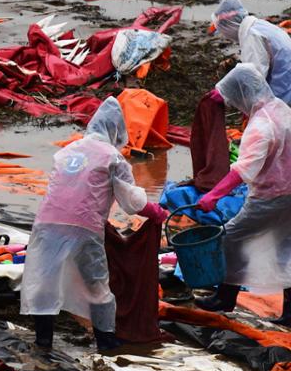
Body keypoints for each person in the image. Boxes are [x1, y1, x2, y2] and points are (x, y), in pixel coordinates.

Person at [20, 97, 168, 353]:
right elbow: (131, 201)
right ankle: (107, 343)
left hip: (46, 225)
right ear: (115, 130)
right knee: (97, 285)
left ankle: (43, 342)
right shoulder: (112, 157)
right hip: (83, 229)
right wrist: (155, 211)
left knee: (44, 282)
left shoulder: (66, 151)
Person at [197, 63, 291, 323]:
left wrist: (213, 196)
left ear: (242, 95)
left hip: (269, 197)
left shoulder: (261, 125)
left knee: (232, 237)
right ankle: (290, 312)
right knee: (285, 246)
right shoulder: (282, 109)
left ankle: (225, 297)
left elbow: (244, 170)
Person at [211, 0, 291, 104]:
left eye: (224, 30)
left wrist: (228, 96)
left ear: (229, 25)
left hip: (283, 91)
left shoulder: (252, 36)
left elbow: (255, 76)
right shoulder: (259, 25)